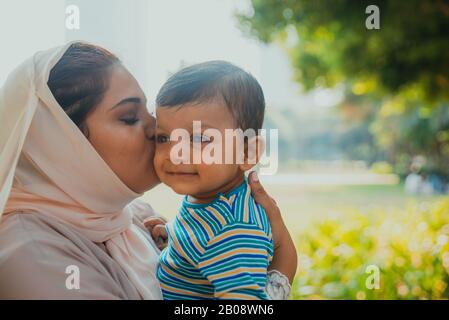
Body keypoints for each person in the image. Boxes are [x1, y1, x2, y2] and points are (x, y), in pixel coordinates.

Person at [0, 42, 297, 299]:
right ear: (63, 141)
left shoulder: (132, 217)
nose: (155, 130)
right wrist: (281, 271)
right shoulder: (34, 253)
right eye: (130, 117)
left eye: (149, 114)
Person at [154, 61, 276, 299]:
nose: (174, 153)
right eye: (163, 137)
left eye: (199, 138)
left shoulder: (231, 230)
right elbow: (205, 249)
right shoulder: (209, 202)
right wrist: (175, 240)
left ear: (246, 152)